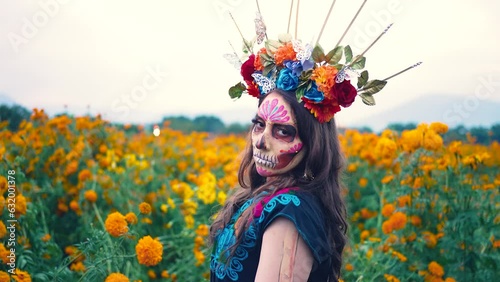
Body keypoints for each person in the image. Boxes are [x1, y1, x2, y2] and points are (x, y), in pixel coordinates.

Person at [209, 87, 348, 281]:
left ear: (312, 143)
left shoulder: (290, 211)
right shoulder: (264, 194)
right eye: (259, 125)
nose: (260, 142)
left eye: (282, 131)